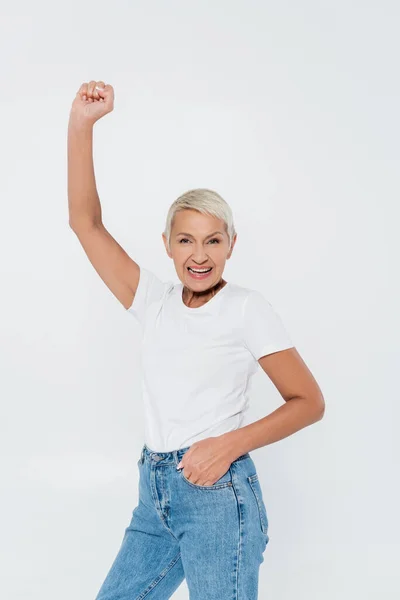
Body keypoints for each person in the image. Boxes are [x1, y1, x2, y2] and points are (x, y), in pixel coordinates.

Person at [68, 81, 325, 600]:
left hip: (217, 497)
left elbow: (309, 402)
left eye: (213, 239)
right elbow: (85, 223)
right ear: (167, 245)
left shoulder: (247, 308)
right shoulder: (153, 302)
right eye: (186, 240)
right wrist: (81, 125)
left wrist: (228, 445)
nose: (199, 254)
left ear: (231, 244)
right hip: (155, 494)